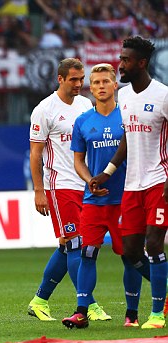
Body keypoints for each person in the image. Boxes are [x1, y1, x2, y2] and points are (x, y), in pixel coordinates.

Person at [62, 63, 149, 329]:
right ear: (91, 87)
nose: (100, 86)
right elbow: (78, 161)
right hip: (94, 200)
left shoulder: (127, 116)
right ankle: (81, 311)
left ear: (115, 85)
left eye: (105, 82)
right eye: (95, 82)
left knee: (131, 256)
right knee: (87, 252)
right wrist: (90, 181)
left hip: (126, 199)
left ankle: (132, 314)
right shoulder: (83, 121)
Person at [90, 36, 168, 329]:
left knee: (154, 245)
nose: (120, 64)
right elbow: (127, 138)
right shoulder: (124, 96)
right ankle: (164, 287)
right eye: (120, 58)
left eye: (125, 60)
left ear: (142, 63)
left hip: (159, 182)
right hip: (132, 186)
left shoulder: (163, 95)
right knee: (130, 251)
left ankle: (157, 315)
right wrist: (108, 172)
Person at [26, 58, 111, 322]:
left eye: (81, 79)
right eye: (73, 79)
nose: (79, 84)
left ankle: (40, 300)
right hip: (59, 185)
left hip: (84, 185)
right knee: (76, 244)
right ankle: (88, 304)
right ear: (60, 79)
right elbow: (35, 153)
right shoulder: (45, 109)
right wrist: (39, 190)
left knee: (67, 246)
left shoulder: (87, 105)